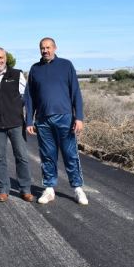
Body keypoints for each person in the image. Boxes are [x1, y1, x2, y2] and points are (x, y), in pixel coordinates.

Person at [24, 38, 89, 205]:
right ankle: (49, 189)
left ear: (54, 48)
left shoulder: (66, 65)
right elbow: (29, 97)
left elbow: (75, 92)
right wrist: (29, 120)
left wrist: (79, 117)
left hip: (65, 118)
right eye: (42, 48)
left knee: (70, 154)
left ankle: (77, 188)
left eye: (48, 47)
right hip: (43, 120)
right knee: (47, 156)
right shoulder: (35, 69)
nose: (45, 50)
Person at [0, 47, 34, 203]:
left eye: (1, 57)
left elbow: (25, 97)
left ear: (6, 58)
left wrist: (16, 109)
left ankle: (25, 189)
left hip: (15, 123)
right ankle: (3, 189)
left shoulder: (17, 74)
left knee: (22, 157)